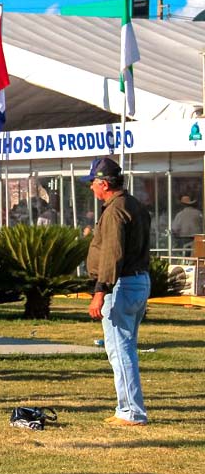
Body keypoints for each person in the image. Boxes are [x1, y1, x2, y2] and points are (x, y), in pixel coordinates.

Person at [84, 157, 151, 427]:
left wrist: (100, 290)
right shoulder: (134, 204)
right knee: (126, 347)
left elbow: (113, 254)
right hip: (138, 280)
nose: (91, 188)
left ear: (104, 184)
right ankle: (127, 407)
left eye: (92, 183)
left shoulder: (114, 210)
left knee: (119, 349)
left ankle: (131, 411)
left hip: (120, 284)